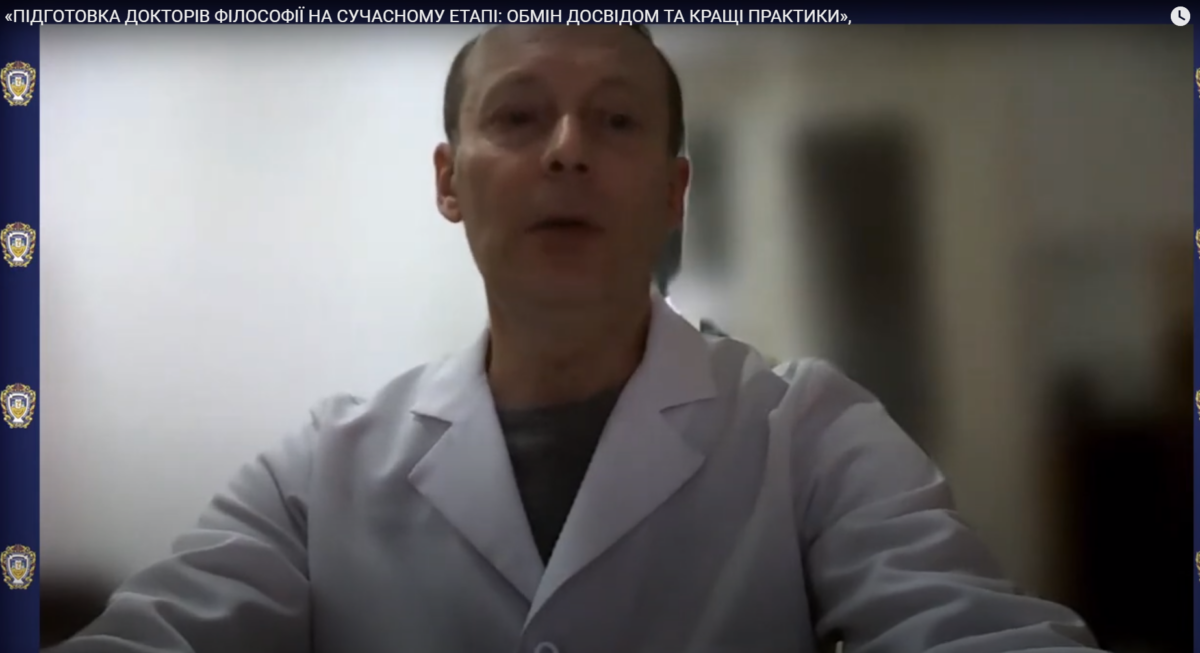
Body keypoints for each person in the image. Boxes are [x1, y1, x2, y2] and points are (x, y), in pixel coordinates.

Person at [54, 25, 1105, 653]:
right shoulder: (316, 471)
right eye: (518, 116)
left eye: (615, 121)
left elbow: (972, 625)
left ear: (673, 192)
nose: (566, 151)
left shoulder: (810, 431)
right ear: (449, 180)